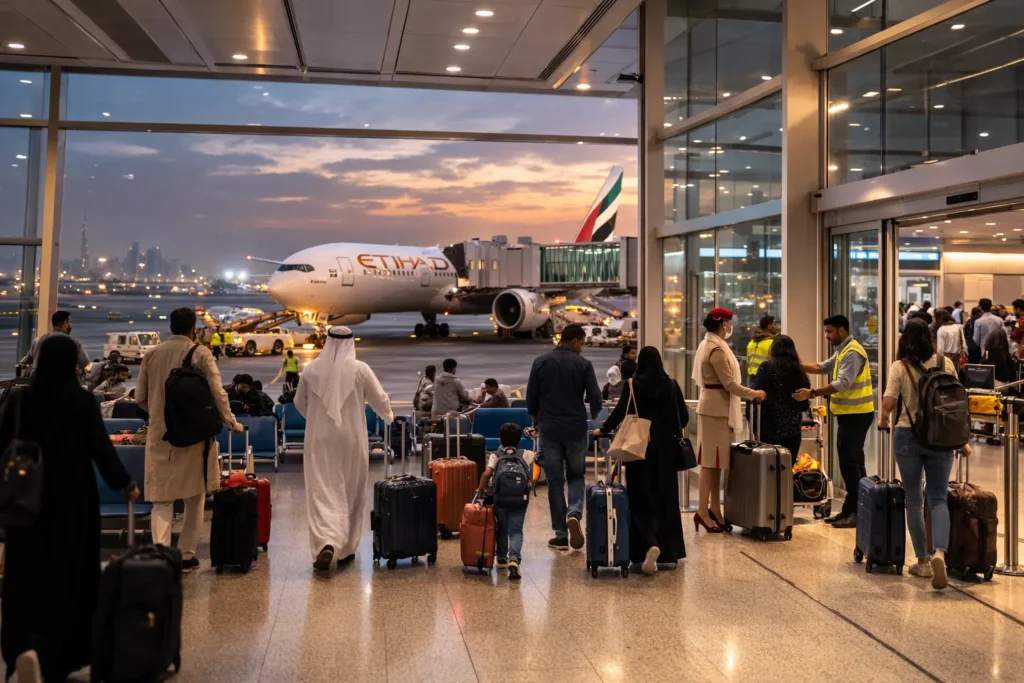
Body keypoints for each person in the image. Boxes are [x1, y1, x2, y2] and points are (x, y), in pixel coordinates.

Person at [0, 335, 139, 682]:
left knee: (24, 576)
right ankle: (57, 656)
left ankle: (22, 647)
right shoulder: (80, 401)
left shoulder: (19, 399)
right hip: (70, 504)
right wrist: (125, 482)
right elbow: (100, 450)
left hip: (24, 505)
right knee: (68, 578)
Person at [136, 308, 242, 573]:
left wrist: (161, 416)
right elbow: (218, 393)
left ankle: (161, 555)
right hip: (196, 437)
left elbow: (140, 397)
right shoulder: (201, 354)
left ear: (170, 327)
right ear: (193, 328)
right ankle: (186, 554)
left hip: (161, 436)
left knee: (162, 500)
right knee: (196, 496)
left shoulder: (151, 354)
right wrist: (231, 422)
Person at [295, 326, 393, 570]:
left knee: (322, 488)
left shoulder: (311, 370)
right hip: (352, 438)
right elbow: (379, 399)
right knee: (351, 489)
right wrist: (389, 416)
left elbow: (299, 403)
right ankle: (346, 548)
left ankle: (325, 543)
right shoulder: (360, 369)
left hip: (319, 440)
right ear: (351, 343)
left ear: (327, 341)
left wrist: (317, 419)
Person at [878, 319, 963, 590]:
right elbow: (956, 401)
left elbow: (889, 403)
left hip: (908, 437)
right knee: (938, 498)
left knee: (913, 500)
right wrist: (962, 440)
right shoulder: (944, 362)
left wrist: (882, 420)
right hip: (941, 439)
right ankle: (940, 552)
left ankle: (923, 561)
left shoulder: (900, 366)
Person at [594, 346, 687, 574]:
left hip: (639, 451)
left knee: (640, 498)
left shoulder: (633, 386)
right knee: (666, 499)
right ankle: (668, 550)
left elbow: (619, 414)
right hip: (666, 452)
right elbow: (683, 417)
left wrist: (602, 429)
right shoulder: (671, 384)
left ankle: (648, 544)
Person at [526, 323, 602, 550]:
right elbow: (595, 396)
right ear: (576, 341)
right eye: (583, 343)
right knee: (577, 475)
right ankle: (574, 513)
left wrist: (536, 421)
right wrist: (596, 414)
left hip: (549, 429)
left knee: (555, 482)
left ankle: (560, 535)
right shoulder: (583, 364)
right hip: (576, 428)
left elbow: (531, 398)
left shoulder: (540, 362)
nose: (583, 348)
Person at [794, 314, 874, 529]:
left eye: (829, 331)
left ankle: (854, 512)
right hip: (850, 414)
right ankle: (856, 508)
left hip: (856, 415)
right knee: (855, 463)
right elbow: (822, 367)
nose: (827, 336)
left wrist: (812, 393)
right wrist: (796, 365)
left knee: (850, 464)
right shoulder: (843, 351)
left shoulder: (853, 352)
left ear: (841, 329)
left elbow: (843, 383)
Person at [692, 308, 764, 533]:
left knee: (716, 464)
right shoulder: (716, 350)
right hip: (716, 411)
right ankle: (702, 511)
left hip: (716, 410)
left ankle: (714, 508)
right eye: (729, 323)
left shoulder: (712, 345)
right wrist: (754, 393)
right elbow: (730, 384)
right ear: (723, 324)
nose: (731, 327)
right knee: (709, 464)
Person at [475, 422, 535, 580]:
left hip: (500, 498)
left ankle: (502, 557)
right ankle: (514, 559)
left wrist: (480, 492)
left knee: (502, 527)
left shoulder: (496, 455)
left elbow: (487, 474)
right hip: (520, 499)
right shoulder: (526, 454)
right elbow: (539, 459)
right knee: (516, 530)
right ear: (519, 440)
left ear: (501, 439)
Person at [752, 335, 811, 459]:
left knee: (767, 468)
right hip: (792, 429)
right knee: (787, 467)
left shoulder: (766, 368)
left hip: (768, 427)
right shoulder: (799, 371)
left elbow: (756, 396)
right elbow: (804, 404)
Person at [18, 310, 90, 380]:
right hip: (62, 385)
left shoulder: (38, 340)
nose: (71, 325)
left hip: (38, 384)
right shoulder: (73, 342)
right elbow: (84, 362)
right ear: (65, 323)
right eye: (70, 322)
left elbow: (27, 360)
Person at [745, 314, 778, 380]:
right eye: (774, 324)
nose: (776, 327)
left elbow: (747, 361)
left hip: (752, 375)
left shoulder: (752, 342)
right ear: (769, 326)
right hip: (766, 377)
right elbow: (776, 363)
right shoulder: (773, 342)